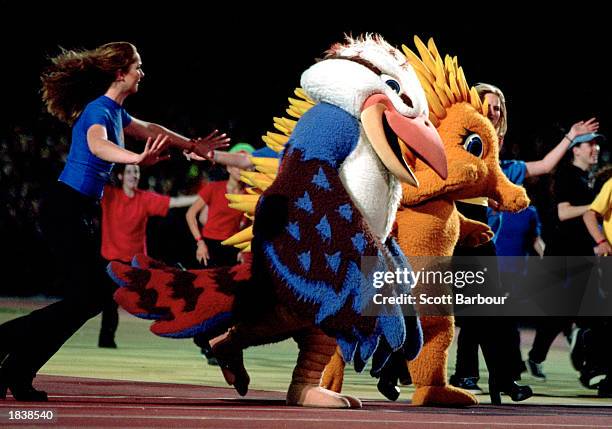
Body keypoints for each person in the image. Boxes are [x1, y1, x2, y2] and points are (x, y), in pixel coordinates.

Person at [0, 42, 227, 401]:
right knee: (87, 298)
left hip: (80, 212)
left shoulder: (118, 114)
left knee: (92, 298)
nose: (142, 72)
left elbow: (152, 128)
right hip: (64, 209)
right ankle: (10, 354)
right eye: (138, 66)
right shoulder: (98, 112)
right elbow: (98, 146)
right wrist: (134, 158)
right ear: (120, 73)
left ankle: (16, 369)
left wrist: (191, 145)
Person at [450, 82, 599, 400]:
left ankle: (484, 377)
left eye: (498, 106)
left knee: (487, 316)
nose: (495, 110)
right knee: (474, 314)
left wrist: (570, 136)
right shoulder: (457, 151)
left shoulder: (503, 169)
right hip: (458, 242)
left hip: (483, 247)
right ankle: (461, 374)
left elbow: (544, 166)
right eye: (488, 103)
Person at [98, 164, 198, 348]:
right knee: (108, 302)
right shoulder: (110, 195)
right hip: (112, 260)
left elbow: (173, 202)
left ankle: (176, 327)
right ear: (120, 176)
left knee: (151, 298)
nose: (133, 175)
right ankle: (106, 340)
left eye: (136, 172)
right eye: (128, 172)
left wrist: (202, 198)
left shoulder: (144, 198)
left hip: (135, 263)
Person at [185, 143, 254, 363]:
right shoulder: (214, 188)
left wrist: (242, 248)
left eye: (243, 164)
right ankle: (203, 341)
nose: (240, 168)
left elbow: (249, 225)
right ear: (229, 167)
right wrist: (199, 243)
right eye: (236, 163)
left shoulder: (247, 195)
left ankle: (217, 344)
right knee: (206, 297)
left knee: (227, 300)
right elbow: (190, 215)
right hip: (209, 247)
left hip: (230, 249)